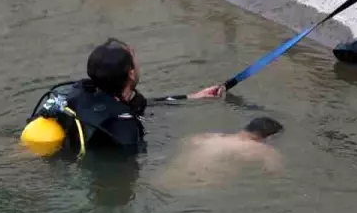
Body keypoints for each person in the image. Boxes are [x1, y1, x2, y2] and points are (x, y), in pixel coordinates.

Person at [21, 38, 225, 157]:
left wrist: (193, 97)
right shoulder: (123, 125)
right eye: (134, 59)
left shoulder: (80, 92)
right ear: (131, 74)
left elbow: (139, 105)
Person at [156, 117, 285, 188]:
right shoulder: (263, 150)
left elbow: (179, 145)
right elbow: (276, 178)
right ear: (269, 137)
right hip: (197, 189)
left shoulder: (202, 137)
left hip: (161, 181)